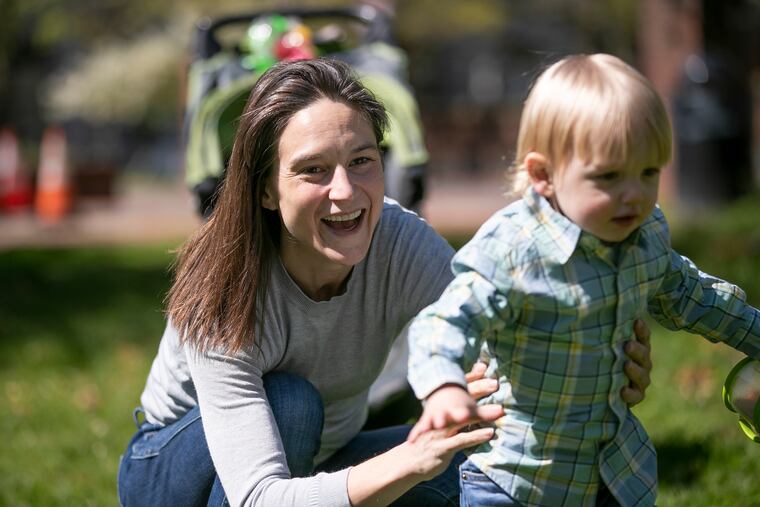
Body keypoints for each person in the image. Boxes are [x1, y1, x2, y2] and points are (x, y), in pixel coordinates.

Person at [117, 58, 654, 507]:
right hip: (177, 475)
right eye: (313, 170)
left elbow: (505, 341)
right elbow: (260, 495)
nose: (345, 192)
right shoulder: (224, 288)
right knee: (293, 404)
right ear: (264, 191)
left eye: (361, 161)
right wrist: (410, 462)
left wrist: (594, 363)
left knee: (489, 436)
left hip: (329, 455)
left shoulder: (398, 240)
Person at [406, 53, 760, 507]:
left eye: (648, 172)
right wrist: (444, 387)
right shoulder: (513, 251)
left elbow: (692, 295)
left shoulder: (644, 233)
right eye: (608, 177)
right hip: (516, 479)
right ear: (543, 175)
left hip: (613, 469)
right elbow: (445, 323)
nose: (633, 194)